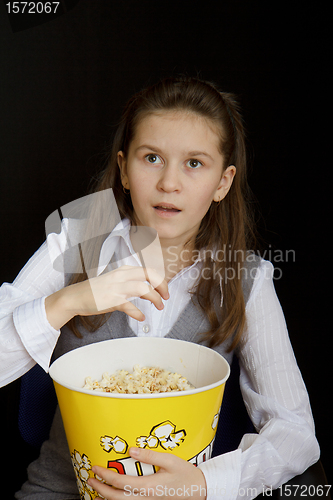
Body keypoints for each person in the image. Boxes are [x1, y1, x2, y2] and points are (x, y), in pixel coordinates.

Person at [0, 76, 319, 499]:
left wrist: (204, 484)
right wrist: (68, 301)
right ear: (124, 170)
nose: (169, 183)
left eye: (194, 163)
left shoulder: (247, 278)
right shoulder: (72, 243)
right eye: (151, 158)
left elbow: (295, 432)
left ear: (222, 183)